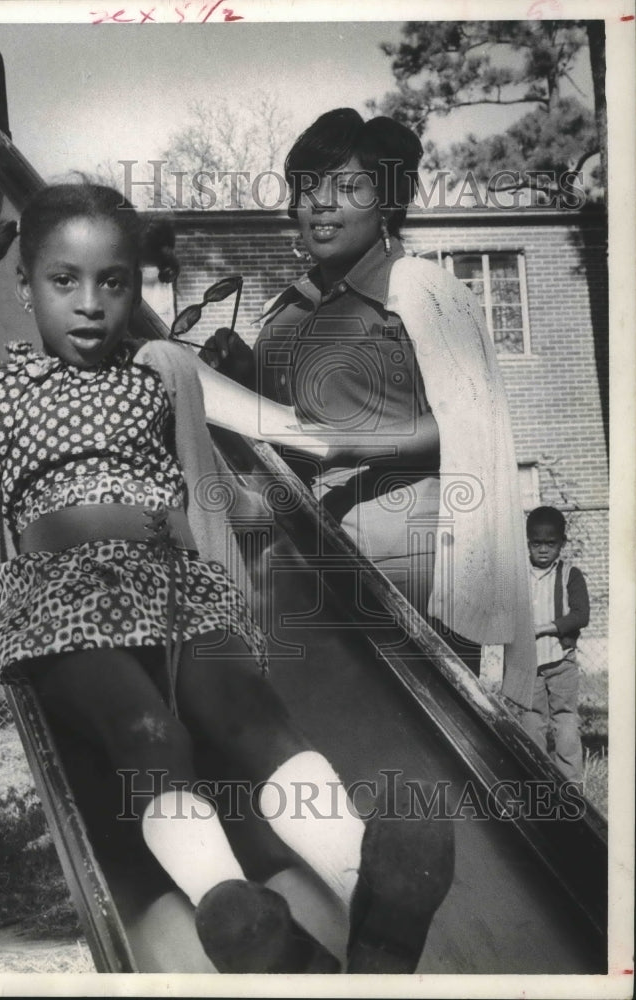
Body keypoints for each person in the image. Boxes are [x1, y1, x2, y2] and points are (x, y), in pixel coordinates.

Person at [0, 181, 453, 974]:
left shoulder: (160, 373)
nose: (91, 303)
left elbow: (283, 431)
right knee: (150, 735)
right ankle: (238, 915)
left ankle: (369, 897)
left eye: (114, 281)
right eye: (64, 281)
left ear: (136, 289)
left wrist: (418, 432)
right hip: (61, 601)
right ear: (25, 288)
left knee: (251, 718)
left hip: (175, 587)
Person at [202, 108, 536, 705]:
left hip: (402, 555)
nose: (321, 204)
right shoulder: (287, 310)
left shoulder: (423, 290)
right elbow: (279, 416)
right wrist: (242, 371)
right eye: (308, 188)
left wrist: (358, 445)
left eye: (347, 186)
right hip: (298, 553)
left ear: (385, 201)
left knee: (419, 732)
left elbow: (471, 425)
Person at [520, 507, 589, 783]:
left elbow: (580, 615)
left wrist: (543, 628)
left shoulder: (570, 575)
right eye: (537, 544)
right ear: (528, 543)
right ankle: (536, 783)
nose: (544, 550)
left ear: (562, 542)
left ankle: (570, 788)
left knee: (565, 720)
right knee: (531, 722)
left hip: (561, 662)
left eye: (551, 544)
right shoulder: (518, 575)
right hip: (528, 665)